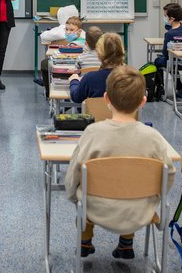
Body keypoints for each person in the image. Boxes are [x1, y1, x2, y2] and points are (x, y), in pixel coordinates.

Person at [65, 66, 175, 259]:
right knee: (130, 183)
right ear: (143, 102)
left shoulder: (92, 133)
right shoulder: (154, 138)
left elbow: (74, 174)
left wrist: (74, 196)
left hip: (96, 209)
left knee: (88, 191)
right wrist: (154, 197)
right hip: (140, 211)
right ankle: (126, 243)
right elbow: (169, 174)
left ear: (106, 98)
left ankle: (84, 241)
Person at [68, 32, 124, 104]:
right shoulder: (130, 77)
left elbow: (76, 98)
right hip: (122, 115)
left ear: (99, 54)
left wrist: (74, 81)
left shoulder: (90, 78)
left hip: (95, 115)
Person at [41, 16, 86, 98]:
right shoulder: (83, 41)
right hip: (74, 69)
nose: (68, 32)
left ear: (79, 32)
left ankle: (48, 92)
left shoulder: (75, 45)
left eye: (71, 30)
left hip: (69, 69)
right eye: (66, 29)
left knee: (45, 63)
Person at [154, 3, 182, 99]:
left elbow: (165, 53)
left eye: (165, 16)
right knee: (172, 62)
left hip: (172, 61)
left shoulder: (169, 34)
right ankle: (180, 89)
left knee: (157, 62)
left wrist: (163, 57)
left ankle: (160, 89)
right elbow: (169, 27)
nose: (164, 18)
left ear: (171, 19)